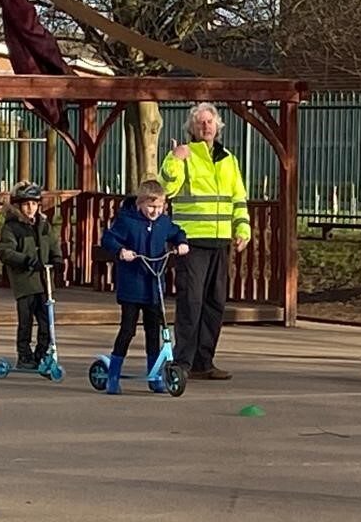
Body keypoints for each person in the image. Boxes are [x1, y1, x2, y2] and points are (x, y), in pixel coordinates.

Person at [160, 103, 250, 380]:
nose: (206, 126)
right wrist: (175, 159)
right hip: (192, 240)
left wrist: (243, 229)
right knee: (191, 301)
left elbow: (238, 197)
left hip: (220, 240)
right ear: (192, 128)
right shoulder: (184, 155)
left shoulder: (228, 159)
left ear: (218, 126)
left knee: (215, 303)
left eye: (210, 122)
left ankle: (204, 361)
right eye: (200, 123)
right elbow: (166, 188)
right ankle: (184, 361)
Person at [100, 179, 189, 395]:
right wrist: (121, 251)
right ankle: (113, 375)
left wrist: (181, 243)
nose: (155, 211)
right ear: (140, 203)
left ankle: (155, 374)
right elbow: (109, 238)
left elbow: (177, 232)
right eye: (151, 206)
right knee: (128, 329)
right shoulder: (127, 221)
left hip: (154, 284)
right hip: (132, 286)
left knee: (153, 331)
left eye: (159, 207)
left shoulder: (163, 222)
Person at [0, 181, 63, 370]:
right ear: (18, 205)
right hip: (25, 282)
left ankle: (41, 354)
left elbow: (53, 244)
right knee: (25, 321)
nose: (30, 208)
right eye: (26, 204)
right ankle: (24, 355)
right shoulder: (12, 227)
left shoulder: (43, 225)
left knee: (46, 321)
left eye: (34, 204)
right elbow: (5, 251)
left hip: (44, 282)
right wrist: (26, 260)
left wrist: (57, 259)